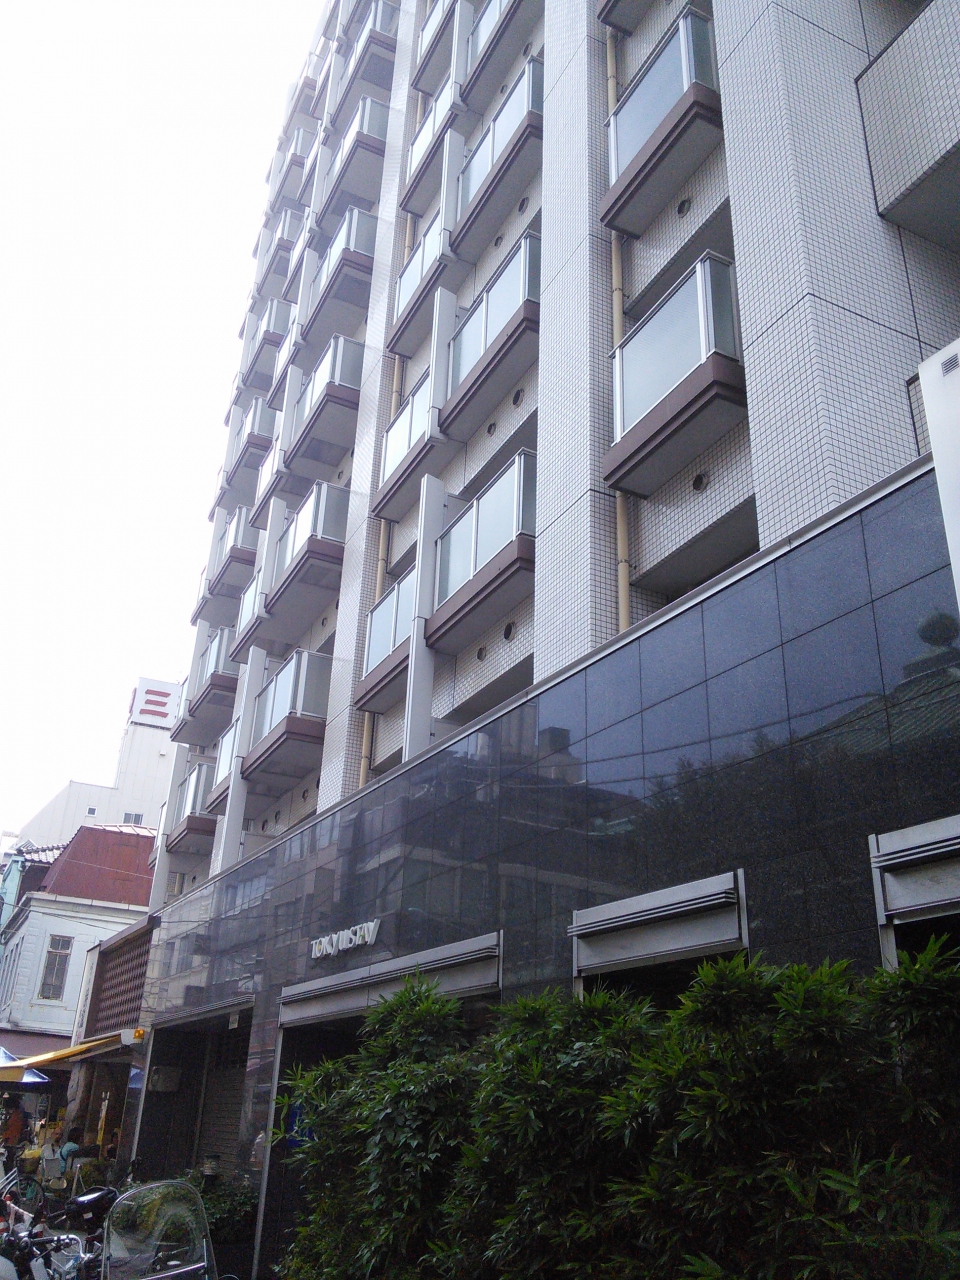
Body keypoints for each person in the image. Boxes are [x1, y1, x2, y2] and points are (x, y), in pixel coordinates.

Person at [2, 1096, 27, 1173]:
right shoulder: (16, 1115)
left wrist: (5, 1117)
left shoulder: (15, 1117)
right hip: (10, 1141)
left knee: (7, 1163)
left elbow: (5, 1127)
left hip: (10, 1142)